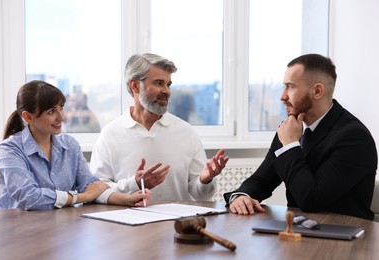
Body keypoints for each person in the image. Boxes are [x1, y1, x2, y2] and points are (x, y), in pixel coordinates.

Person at [224, 53, 377, 220]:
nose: (282, 96)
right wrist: (241, 196)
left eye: (290, 87)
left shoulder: (354, 138)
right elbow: (262, 179)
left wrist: (290, 144)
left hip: (344, 236)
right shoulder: (291, 127)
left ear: (317, 91)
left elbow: (311, 199)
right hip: (301, 231)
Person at [90, 53, 229, 201]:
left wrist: (204, 180)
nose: (167, 91)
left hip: (176, 223)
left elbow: (202, 195)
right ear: (135, 85)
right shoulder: (110, 134)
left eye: (168, 84)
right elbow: (97, 191)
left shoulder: (186, 132)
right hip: (129, 223)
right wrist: (135, 184)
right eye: (158, 83)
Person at [0, 80, 151, 211]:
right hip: (18, 232)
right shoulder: (10, 150)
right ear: (28, 117)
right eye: (51, 112)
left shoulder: (70, 145)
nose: (61, 117)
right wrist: (81, 197)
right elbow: (29, 197)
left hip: (58, 228)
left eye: (61, 108)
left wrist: (127, 200)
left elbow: (90, 186)